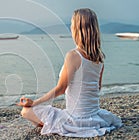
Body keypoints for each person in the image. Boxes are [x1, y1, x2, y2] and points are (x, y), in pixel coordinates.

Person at [17, 8, 123, 137]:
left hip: (75, 118)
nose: (71, 27)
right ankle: (53, 124)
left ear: (77, 29)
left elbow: (61, 89)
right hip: (94, 116)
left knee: (25, 111)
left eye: (72, 24)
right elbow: (97, 88)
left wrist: (34, 102)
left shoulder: (73, 55)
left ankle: (55, 126)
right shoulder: (99, 58)